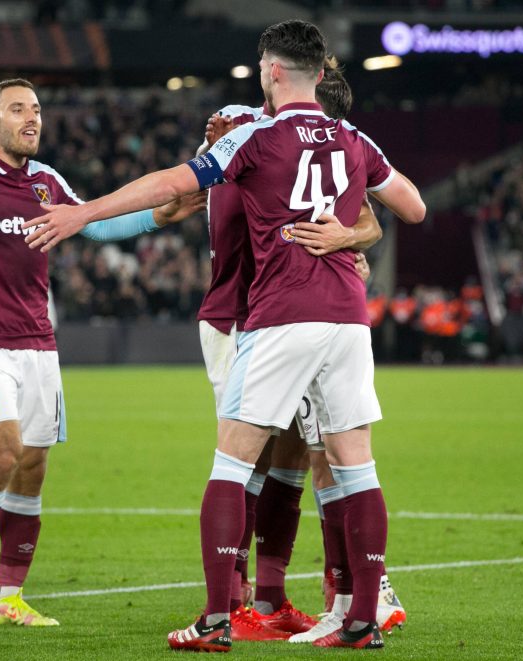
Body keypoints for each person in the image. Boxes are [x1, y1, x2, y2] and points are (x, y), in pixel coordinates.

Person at [24, 20, 425, 652]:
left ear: (269, 71)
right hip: (348, 319)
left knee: (232, 463)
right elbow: (414, 207)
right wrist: (347, 234)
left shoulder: (254, 136)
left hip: (281, 314)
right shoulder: (353, 137)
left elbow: (171, 183)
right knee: (356, 468)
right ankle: (360, 619)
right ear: (322, 74)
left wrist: (85, 211)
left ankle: (216, 619)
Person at [0, 79, 204, 629]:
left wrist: (160, 217)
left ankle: (11, 594)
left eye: (36, 110)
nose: (32, 118)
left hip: (37, 340)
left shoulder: (46, 181)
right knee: (3, 454)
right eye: (18, 110)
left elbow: (96, 227)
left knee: (32, 466)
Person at [194, 59, 389, 643]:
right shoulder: (240, 131)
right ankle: (233, 598)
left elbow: (369, 219)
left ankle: (288, 597)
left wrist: (346, 237)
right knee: (249, 454)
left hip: (293, 318)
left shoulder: (328, 144)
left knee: (300, 455)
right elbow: (176, 199)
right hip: (239, 317)